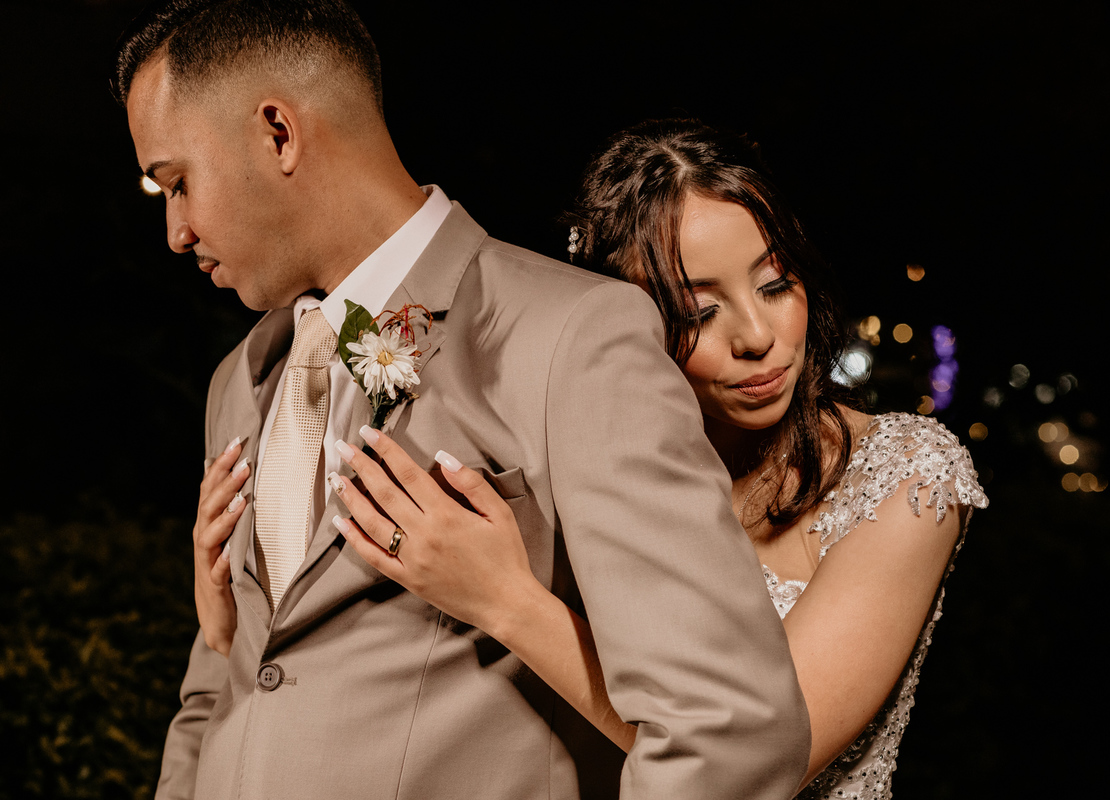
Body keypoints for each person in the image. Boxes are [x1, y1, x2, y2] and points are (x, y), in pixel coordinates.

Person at [114, 3, 808, 799]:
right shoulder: (240, 379)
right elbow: (225, 689)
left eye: (178, 183)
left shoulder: (569, 336)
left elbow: (728, 727)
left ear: (279, 133)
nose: (176, 231)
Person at [322, 119, 990, 798]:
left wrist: (506, 601)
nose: (757, 336)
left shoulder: (907, 474)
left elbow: (767, 756)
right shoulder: (586, 465)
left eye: (774, 285)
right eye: (698, 312)